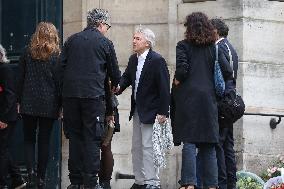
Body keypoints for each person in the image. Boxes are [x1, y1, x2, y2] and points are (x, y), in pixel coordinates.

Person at [171, 12, 233, 189]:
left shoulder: (182, 46)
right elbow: (227, 71)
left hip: (188, 99)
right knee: (208, 143)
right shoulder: (213, 47)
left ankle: (189, 184)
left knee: (189, 141)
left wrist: (176, 81)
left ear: (189, 27)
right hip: (209, 100)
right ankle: (212, 185)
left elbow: (182, 70)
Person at [60, 8, 121, 189]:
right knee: (92, 139)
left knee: (75, 138)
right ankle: (90, 183)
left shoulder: (71, 40)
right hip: (93, 98)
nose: (106, 30)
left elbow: (60, 70)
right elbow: (115, 74)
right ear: (101, 24)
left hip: (70, 97)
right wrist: (114, 84)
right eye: (107, 26)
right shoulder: (105, 42)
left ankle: (75, 182)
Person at [117, 26, 170, 189]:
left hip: (152, 112)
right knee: (136, 147)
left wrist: (163, 112)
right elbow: (126, 77)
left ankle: (152, 182)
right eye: (133, 38)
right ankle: (140, 181)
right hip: (138, 110)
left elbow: (164, 88)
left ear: (148, 43)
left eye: (137, 38)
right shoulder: (134, 59)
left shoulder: (157, 60)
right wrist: (118, 87)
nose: (133, 41)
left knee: (149, 147)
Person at [17, 22, 61, 188]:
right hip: (49, 104)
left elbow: (19, 79)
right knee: (44, 141)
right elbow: (59, 84)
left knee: (29, 139)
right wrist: (61, 105)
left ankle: (31, 174)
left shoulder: (27, 53)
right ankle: (41, 178)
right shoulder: (56, 55)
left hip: (29, 102)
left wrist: (18, 101)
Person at [211, 18, 238, 189]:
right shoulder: (231, 47)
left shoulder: (219, 47)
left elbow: (221, 78)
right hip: (231, 101)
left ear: (215, 31)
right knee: (228, 145)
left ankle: (222, 183)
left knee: (220, 145)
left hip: (223, 101)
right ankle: (231, 182)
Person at [0, 44, 26, 189]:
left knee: (2, 150)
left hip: (6, 117)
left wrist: (3, 119)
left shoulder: (5, 70)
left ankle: (3, 183)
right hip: (3, 116)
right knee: (2, 149)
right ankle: (17, 179)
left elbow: (10, 96)